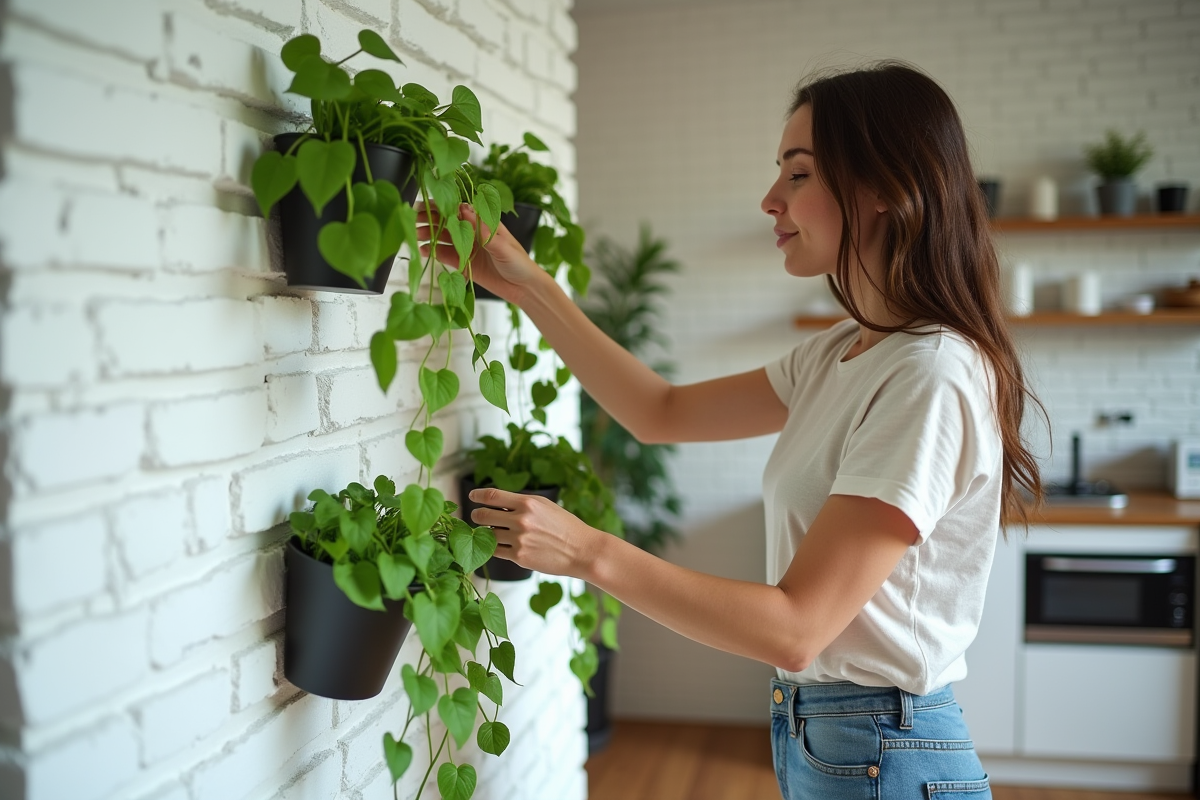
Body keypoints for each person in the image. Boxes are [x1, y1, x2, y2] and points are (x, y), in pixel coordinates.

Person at [418, 61, 1042, 800]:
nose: (770, 199)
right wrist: (529, 286)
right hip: (833, 738)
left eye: (799, 174)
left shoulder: (930, 375)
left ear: (883, 189)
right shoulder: (846, 350)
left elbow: (797, 627)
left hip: (887, 752)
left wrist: (587, 551)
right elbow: (662, 413)